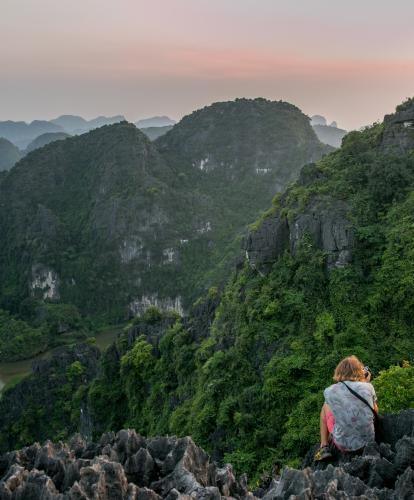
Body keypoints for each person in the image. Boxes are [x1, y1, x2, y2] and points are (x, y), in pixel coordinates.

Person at [314, 355, 378, 461]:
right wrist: (366, 383)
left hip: (343, 444)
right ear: (359, 371)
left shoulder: (329, 391)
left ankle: (324, 446)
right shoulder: (368, 387)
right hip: (368, 441)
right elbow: (375, 411)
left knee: (325, 405)